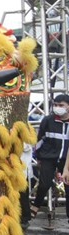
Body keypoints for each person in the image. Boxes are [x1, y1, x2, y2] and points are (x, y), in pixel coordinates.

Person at [32, 93, 69, 221]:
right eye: (55, 105)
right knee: (44, 183)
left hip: (66, 159)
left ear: (68, 107)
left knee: (67, 186)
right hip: (49, 156)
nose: (57, 107)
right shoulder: (48, 120)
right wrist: (38, 157)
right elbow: (40, 140)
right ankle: (36, 206)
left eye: (61, 105)